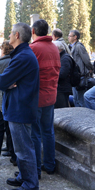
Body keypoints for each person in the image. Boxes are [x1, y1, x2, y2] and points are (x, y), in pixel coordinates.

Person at [0, 22, 40, 190]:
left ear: (17, 36)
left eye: (10, 34)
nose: (8, 36)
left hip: (20, 107)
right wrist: (8, 83)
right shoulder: (22, 54)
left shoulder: (23, 57)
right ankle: (24, 176)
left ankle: (30, 183)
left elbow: (0, 81)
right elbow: (5, 81)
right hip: (19, 106)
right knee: (21, 146)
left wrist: (7, 83)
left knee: (23, 148)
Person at [29, 19, 60, 177]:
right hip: (51, 95)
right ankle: (50, 164)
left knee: (34, 134)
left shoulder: (33, 48)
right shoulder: (54, 48)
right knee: (48, 131)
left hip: (36, 97)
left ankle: (35, 168)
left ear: (33, 31)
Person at [0, 41, 16, 166]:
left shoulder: (1, 63)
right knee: (11, 128)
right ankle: (14, 156)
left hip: (2, 98)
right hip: (14, 100)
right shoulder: (16, 60)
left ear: (4, 51)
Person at [68, 29, 93, 107]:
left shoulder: (79, 46)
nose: (68, 37)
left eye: (70, 36)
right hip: (75, 76)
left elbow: (86, 59)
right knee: (76, 99)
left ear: (75, 37)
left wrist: (91, 69)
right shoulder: (72, 47)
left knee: (80, 99)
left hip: (80, 76)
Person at [53, 41, 72, 108]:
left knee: (63, 107)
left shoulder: (65, 58)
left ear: (57, 48)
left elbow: (62, 74)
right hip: (61, 88)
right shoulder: (62, 57)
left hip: (63, 88)